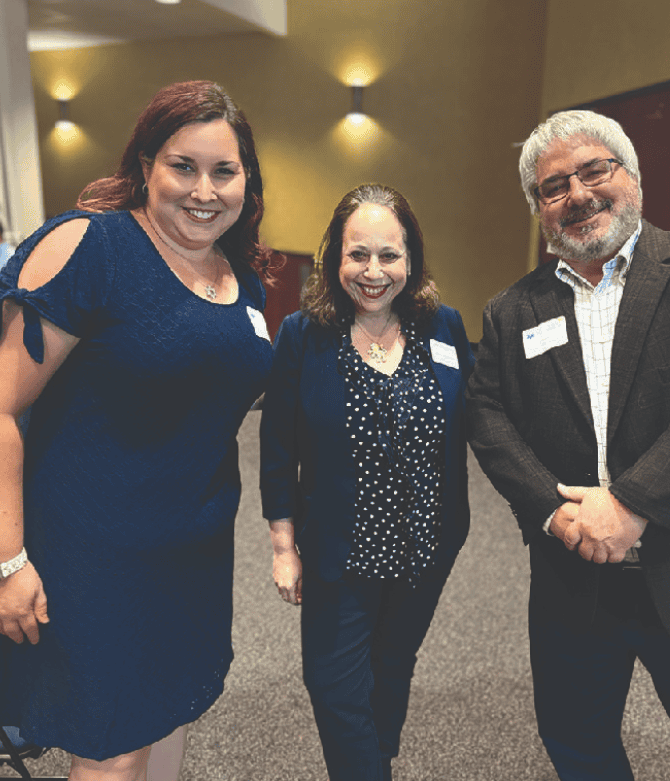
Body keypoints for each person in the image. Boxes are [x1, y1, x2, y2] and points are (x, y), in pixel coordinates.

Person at [0, 80, 274, 781]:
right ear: (144, 165)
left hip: (191, 550)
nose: (203, 189)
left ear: (245, 181)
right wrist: (0, 562)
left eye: (223, 170)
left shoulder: (236, 272)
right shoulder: (90, 246)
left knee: (167, 710)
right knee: (112, 744)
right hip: (93, 551)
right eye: (182, 166)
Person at [465, 110, 670, 781]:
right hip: (573, 576)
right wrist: (554, 512)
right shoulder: (510, 311)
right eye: (553, 186)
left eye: (594, 170)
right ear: (538, 208)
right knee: (577, 745)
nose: (577, 194)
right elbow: (488, 416)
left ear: (631, 176)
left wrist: (631, 505)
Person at [260, 184, 473, 781]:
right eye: (358, 255)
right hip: (341, 548)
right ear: (335, 260)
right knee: (332, 680)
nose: (373, 272)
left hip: (426, 544)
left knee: (393, 663)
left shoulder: (444, 327)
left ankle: (377, 758)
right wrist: (283, 546)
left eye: (389, 255)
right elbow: (277, 446)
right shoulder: (304, 334)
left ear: (412, 260)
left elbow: (484, 419)